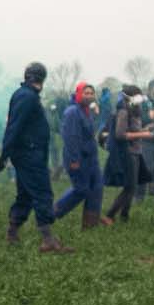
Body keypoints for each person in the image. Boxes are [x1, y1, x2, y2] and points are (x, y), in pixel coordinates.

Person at [51, 83, 104, 229]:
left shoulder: (87, 111)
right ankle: (51, 214)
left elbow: (91, 132)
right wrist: (74, 159)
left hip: (91, 157)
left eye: (91, 93)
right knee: (81, 189)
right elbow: (70, 138)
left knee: (97, 188)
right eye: (86, 93)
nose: (89, 96)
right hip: (78, 158)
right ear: (79, 94)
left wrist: (96, 115)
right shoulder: (72, 112)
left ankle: (90, 224)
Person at [103, 84, 154, 223]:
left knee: (132, 186)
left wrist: (145, 128)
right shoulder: (123, 112)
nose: (140, 98)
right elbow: (120, 134)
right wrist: (144, 134)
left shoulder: (134, 110)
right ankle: (110, 215)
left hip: (136, 152)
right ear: (128, 97)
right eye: (137, 95)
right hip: (128, 153)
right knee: (130, 186)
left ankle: (124, 215)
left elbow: (133, 130)